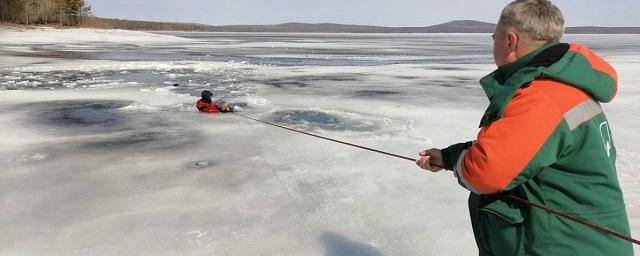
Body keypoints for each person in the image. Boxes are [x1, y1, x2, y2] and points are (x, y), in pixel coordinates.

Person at [415, 1, 633, 255]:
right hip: (584, 240)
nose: (493, 44)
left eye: (494, 37)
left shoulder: (542, 98)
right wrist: (451, 157)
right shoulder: (565, 86)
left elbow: (485, 172)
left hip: (564, 245)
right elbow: (529, 149)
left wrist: (462, 162)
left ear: (510, 40)